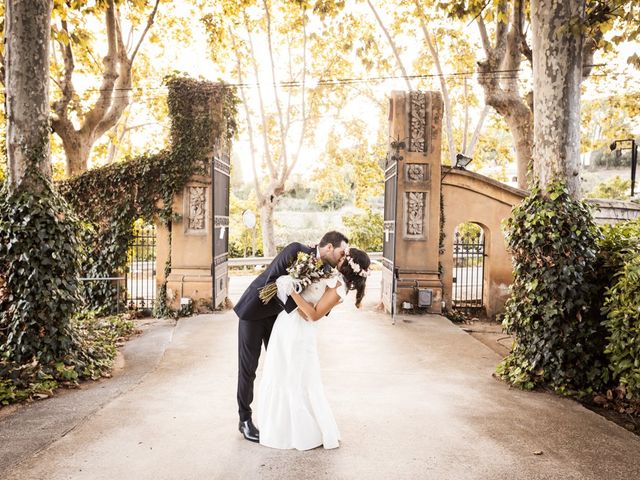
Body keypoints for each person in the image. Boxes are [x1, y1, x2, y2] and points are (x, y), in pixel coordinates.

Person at [234, 231, 349, 442]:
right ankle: (245, 420)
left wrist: (312, 308)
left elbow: (320, 303)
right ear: (329, 247)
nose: (342, 257)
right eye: (341, 252)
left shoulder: (326, 271)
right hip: (254, 311)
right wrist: (295, 301)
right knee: (248, 368)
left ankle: (282, 420)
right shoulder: (296, 250)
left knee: (282, 368)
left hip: (279, 321)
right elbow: (271, 281)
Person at [258, 247, 371, 450]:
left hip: (297, 333)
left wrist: (291, 291)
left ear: (349, 264)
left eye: (345, 256)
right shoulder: (332, 276)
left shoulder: (339, 288)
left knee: (294, 378)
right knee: (281, 372)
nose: (340, 256)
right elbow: (309, 307)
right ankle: (281, 426)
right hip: (288, 324)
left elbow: (313, 315)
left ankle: (298, 433)